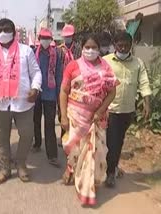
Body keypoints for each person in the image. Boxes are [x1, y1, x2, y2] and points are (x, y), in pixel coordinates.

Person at [0, 18, 42, 184]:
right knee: (1, 137)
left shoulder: (26, 51)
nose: (3, 34)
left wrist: (35, 88)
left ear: (14, 33)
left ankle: (21, 164)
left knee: (27, 134)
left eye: (7, 30)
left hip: (23, 102)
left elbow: (36, 72)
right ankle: (5, 168)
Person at [60, 34, 118, 206]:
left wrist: (100, 111)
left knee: (95, 152)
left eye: (94, 47)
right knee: (75, 149)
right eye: (87, 47)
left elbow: (112, 92)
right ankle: (70, 168)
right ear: (82, 47)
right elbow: (64, 91)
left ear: (99, 49)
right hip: (76, 116)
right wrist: (63, 115)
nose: (90, 50)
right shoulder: (73, 66)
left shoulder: (106, 68)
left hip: (97, 119)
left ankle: (88, 185)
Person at [103, 31, 152, 188]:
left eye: (126, 45)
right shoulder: (105, 61)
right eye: (120, 45)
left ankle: (111, 167)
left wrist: (147, 103)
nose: (123, 48)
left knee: (118, 141)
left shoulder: (137, 63)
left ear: (131, 45)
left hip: (127, 110)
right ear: (115, 45)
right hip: (109, 110)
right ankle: (110, 173)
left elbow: (144, 83)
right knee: (112, 142)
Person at [32, 28, 62, 167]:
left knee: (50, 124)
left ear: (51, 40)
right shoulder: (33, 54)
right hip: (36, 92)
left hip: (50, 93)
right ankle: (37, 143)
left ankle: (52, 155)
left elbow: (59, 75)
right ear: (39, 39)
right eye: (43, 37)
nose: (45, 40)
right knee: (35, 120)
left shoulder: (56, 54)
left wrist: (59, 96)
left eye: (47, 38)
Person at [57, 24, 82, 145]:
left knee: (74, 110)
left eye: (69, 36)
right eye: (65, 36)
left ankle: (72, 135)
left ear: (73, 36)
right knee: (62, 111)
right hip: (62, 83)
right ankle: (64, 135)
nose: (67, 38)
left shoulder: (78, 49)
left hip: (75, 83)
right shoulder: (59, 49)